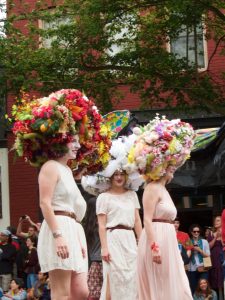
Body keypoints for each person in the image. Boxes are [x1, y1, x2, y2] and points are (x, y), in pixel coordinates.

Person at [126, 117, 195, 300]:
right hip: (157, 239)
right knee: (160, 284)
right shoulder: (152, 188)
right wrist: (154, 247)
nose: (174, 169)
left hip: (168, 238)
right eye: (171, 165)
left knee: (176, 283)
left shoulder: (163, 189)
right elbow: (146, 219)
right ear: (162, 166)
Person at [37, 134, 89, 300]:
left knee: (81, 292)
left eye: (78, 141)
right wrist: (58, 236)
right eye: (73, 141)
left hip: (72, 228)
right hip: (58, 227)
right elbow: (45, 203)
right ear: (59, 142)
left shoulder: (66, 170)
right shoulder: (50, 167)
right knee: (62, 293)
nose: (77, 145)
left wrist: (77, 238)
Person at [96, 169, 142, 300]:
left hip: (130, 238)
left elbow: (137, 221)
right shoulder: (103, 197)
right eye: (116, 174)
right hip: (113, 239)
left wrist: (142, 241)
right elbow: (101, 225)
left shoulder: (132, 195)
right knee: (115, 276)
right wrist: (104, 247)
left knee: (133, 276)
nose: (119, 177)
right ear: (110, 177)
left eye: (122, 174)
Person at [84, 197, 103, 300]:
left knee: (94, 295)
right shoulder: (101, 224)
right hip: (104, 261)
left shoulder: (87, 226)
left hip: (93, 264)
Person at [189, 224, 211, 294]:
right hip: (192, 268)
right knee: (194, 288)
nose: (196, 233)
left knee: (204, 288)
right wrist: (191, 250)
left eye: (198, 231)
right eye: (194, 231)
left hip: (203, 267)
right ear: (191, 232)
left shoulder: (204, 241)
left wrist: (199, 250)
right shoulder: (188, 241)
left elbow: (208, 256)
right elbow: (186, 256)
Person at [207, 216, 224, 299]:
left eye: (218, 220)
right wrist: (216, 237)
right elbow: (209, 246)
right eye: (215, 221)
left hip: (222, 258)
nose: (216, 222)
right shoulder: (211, 233)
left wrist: (221, 238)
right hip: (214, 258)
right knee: (215, 280)